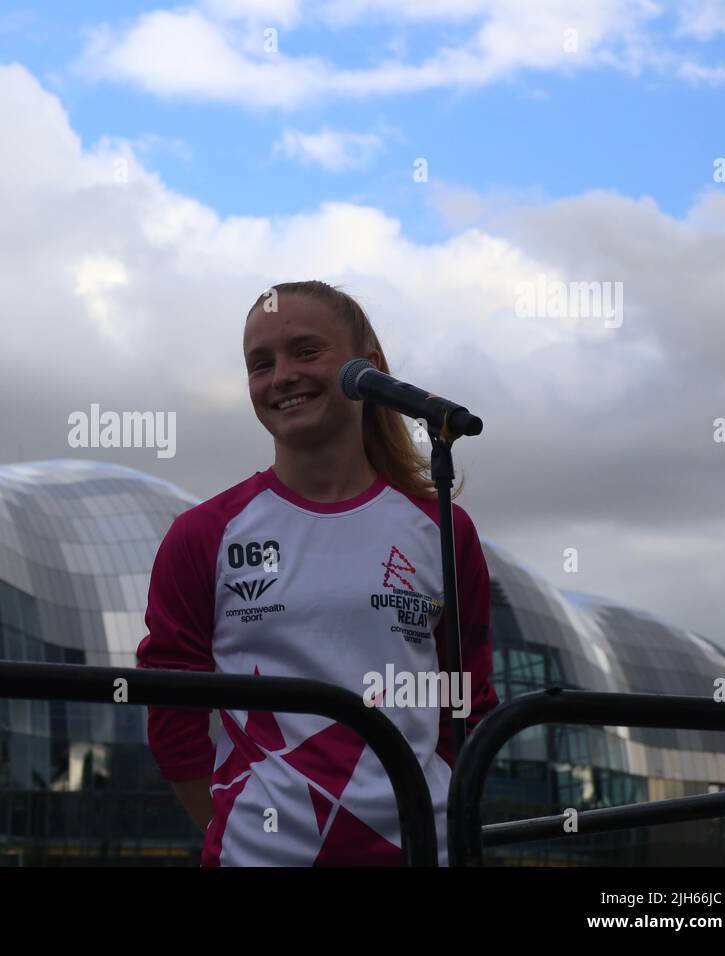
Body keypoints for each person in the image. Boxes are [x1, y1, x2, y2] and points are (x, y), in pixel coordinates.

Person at [135, 280, 499, 866]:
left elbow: (470, 702)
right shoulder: (202, 535)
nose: (281, 376)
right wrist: (243, 830)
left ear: (370, 368)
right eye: (260, 364)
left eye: (306, 352)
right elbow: (171, 716)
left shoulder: (443, 530)